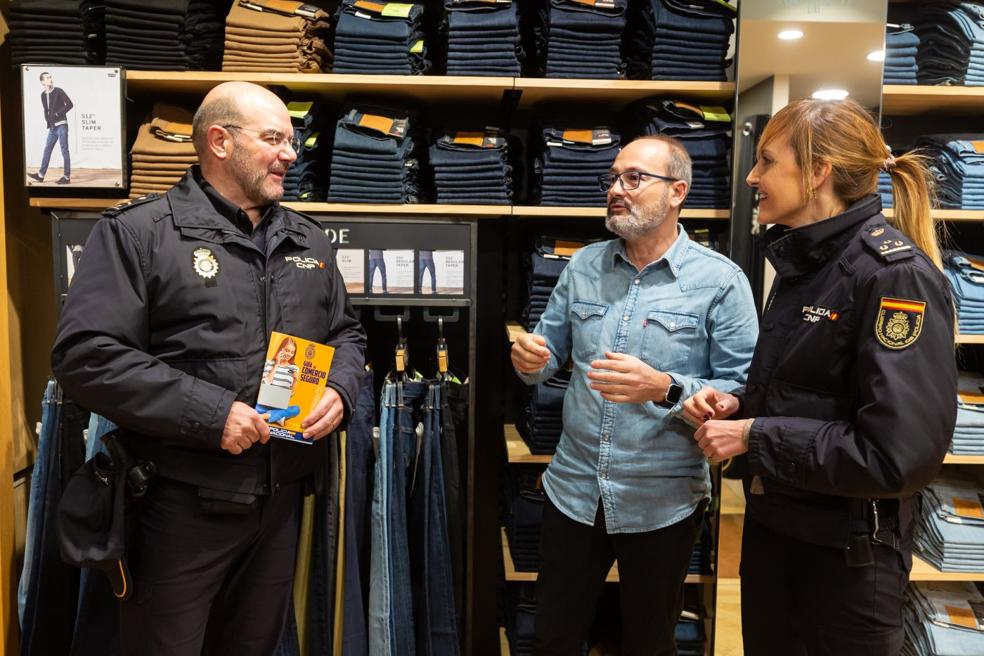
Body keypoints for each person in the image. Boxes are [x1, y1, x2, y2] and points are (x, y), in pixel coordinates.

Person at [51, 81, 367, 655]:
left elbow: (346, 332)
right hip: (177, 509)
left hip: (279, 505)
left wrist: (342, 391)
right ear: (219, 141)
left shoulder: (308, 238)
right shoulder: (139, 233)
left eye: (291, 141)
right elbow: (87, 355)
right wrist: (213, 413)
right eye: (274, 139)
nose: (291, 154)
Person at [682, 98, 957, 656]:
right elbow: (812, 397)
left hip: (847, 564)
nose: (752, 177)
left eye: (766, 161)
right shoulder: (804, 266)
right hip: (779, 538)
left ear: (818, 172)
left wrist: (756, 436)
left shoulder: (893, 276)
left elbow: (897, 455)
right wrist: (737, 406)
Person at [511, 135, 758, 654]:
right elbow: (548, 352)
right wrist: (531, 359)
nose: (616, 190)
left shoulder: (721, 282)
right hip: (574, 490)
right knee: (554, 634)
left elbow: (741, 388)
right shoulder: (582, 267)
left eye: (634, 179)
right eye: (613, 179)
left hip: (663, 498)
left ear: (677, 192)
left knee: (649, 639)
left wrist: (666, 388)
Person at [28, 71, 73, 185]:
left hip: (62, 125)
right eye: (47, 78)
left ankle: (66, 177)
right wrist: (49, 122)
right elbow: (46, 110)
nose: (50, 79)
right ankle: (40, 175)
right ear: (42, 82)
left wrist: (57, 114)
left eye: (50, 77)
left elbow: (69, 104)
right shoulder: (43, 95)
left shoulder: (58, 91)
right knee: (47, 149)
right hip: (52, 127)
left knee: (64, 150)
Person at [256, 336, 301, 426]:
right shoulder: (269, 363)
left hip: (279, 405)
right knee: (253, 406)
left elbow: (290, 394)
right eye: (286, 350)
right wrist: (276, 364)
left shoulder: (294, 368)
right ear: (281, 349)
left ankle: (263, 417)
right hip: (262, 404)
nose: (289, 354)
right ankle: (278, 417)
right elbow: (265, 383)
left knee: (296, 409)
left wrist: (295, 380)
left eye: (292, 352)